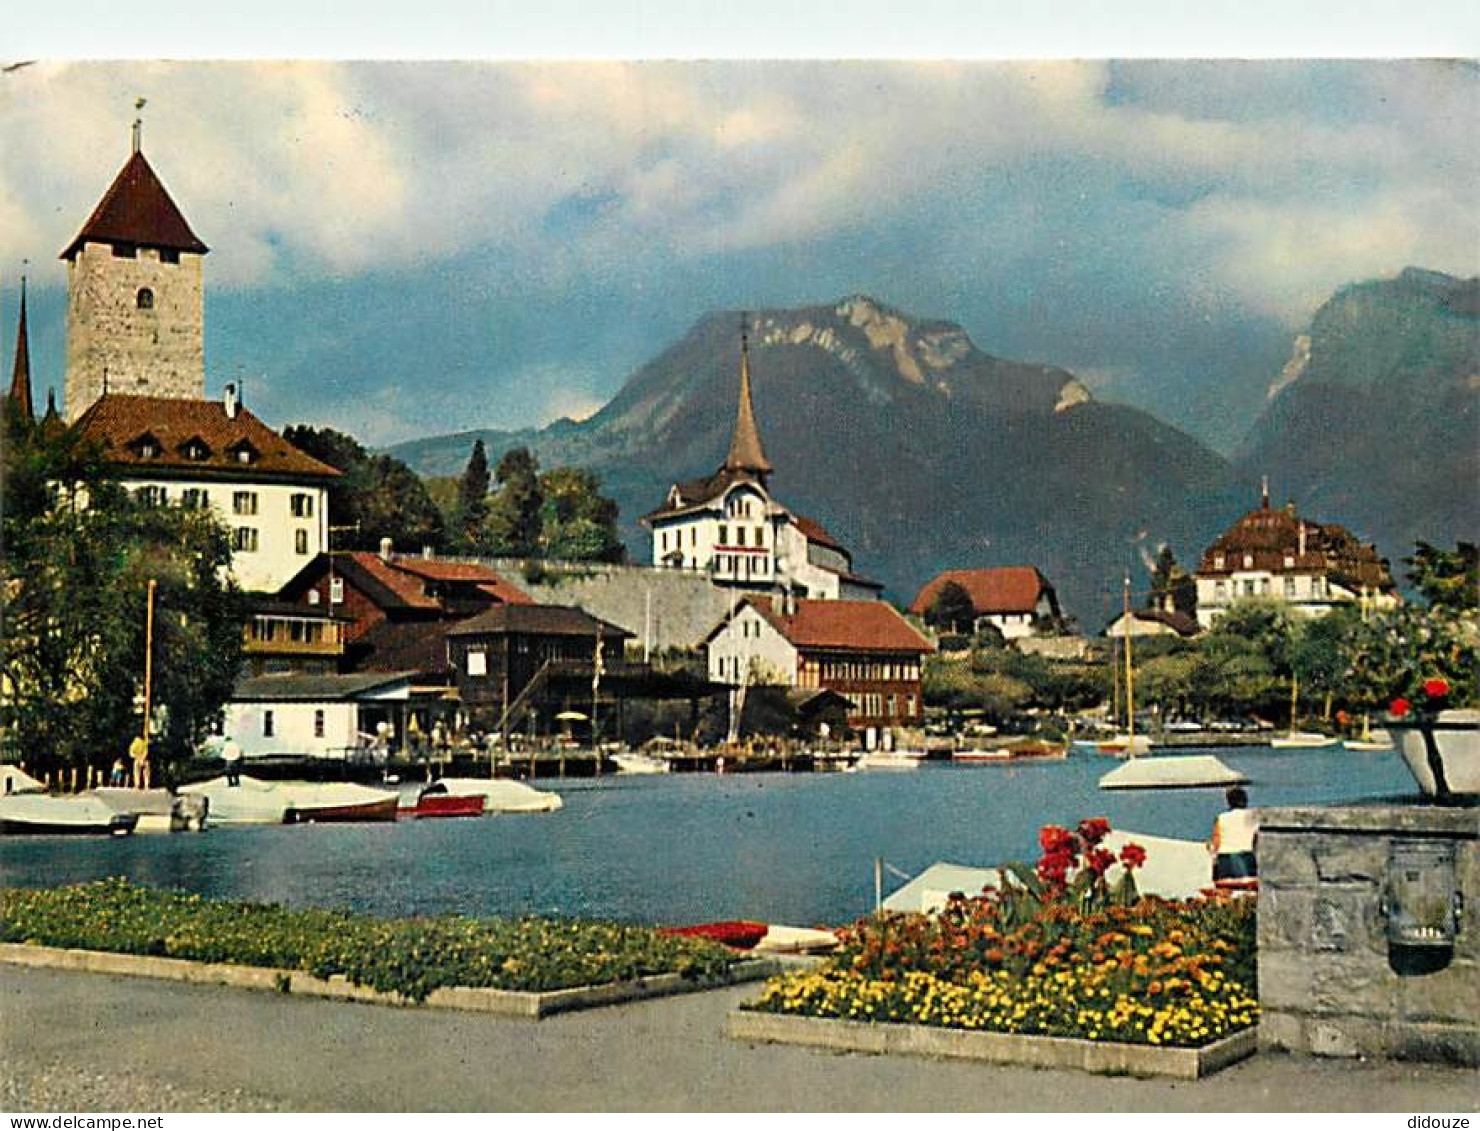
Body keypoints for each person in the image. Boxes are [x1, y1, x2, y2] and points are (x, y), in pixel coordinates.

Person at [1209, 785, 1258, 888]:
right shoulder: (1253, 816)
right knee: (1248, 888)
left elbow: (1216, 840)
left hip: (1225, 857)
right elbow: (1257, 839)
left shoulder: (1221, 817)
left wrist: (1214, 861)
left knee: (1226, 889)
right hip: (1245, 855)